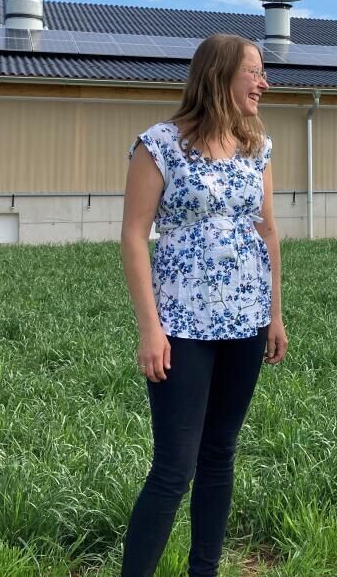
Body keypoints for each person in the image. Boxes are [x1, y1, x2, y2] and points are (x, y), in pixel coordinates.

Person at [119, 33, 287, 577]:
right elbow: (133, 235)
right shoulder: (160, 144)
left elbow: (267, 230)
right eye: (254, 72)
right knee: (174, 467)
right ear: (219, 75)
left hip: (246, 320)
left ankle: (204, 571)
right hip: (181, 325)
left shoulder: (257, 147)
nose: (264, 83)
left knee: (220, 454)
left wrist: (275, 315)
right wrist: (150, 328)